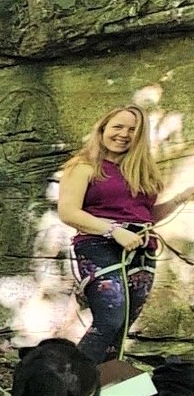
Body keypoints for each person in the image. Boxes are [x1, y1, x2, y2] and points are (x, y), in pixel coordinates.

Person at [56, 104, 193, 363]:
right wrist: (112, 231)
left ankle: (102, 391)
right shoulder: (83, 166)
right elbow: (68, 212)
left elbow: (145, 217)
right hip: (98, 245)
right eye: (117, 127)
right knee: (110, 317)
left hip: (141, 250)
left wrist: (180, 199)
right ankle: (69, 385)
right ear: (103, 128)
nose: (124, 134)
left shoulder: (140, 173)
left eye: (133, 130)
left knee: (122, 325)